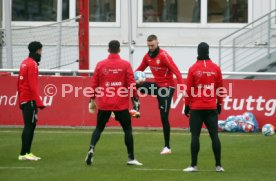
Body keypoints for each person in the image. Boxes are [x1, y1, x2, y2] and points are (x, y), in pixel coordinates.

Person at [85, 40, 142, 166]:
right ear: (119, 50)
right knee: (127, 130)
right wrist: (135, 99)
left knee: (99, 128)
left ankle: (91, 148)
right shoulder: (125, 65)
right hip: (120, 104)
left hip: (104, 103)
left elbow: (94, 84)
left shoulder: (100, 65)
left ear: (108, 49)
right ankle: (131, 158)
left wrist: (91, 99)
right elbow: (131, 84)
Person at [136, 34, 184, 155]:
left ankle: (167, 147)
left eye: (152, 45)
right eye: (149, 45)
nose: (151, 47)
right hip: (157, 87)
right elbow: (139, 70)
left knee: (163, 117)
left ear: (157, 42)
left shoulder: (164, 56)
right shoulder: (147, 57)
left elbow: (176, 71)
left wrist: (181, 85)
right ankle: (136, 104)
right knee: (136, 85)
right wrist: (130, 77)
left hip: (167, 88)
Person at [183, 42, 224, 172]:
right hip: (211, 107)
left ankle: (193, 165)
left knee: (195, 136)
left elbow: (189, 90)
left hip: (196, 107)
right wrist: (219, 103)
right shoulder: (216, 68)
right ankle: (218, 166)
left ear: (198, 52)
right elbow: (220, 88)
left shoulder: (193, 68)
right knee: (214, 136)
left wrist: (186, 105)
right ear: (208, 51)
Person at [18, 41, 45, 161]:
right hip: (30, 99)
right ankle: (25, 153)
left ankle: (26, 152)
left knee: (29, 125)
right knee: (30, 126)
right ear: (38, 50)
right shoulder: (33, 64)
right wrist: (38, 102)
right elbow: (32, 85)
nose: (41, 53)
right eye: (41, 50)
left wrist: (20, 100)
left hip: (24, 98)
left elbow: (19, 82)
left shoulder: (24, 63)